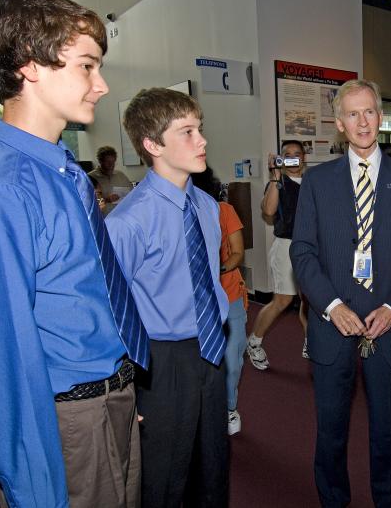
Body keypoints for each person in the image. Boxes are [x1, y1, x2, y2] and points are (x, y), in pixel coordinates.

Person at [0, 0, 148, 507]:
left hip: (110, 396)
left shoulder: (65, 174)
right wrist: (32, 483)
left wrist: (120, 391)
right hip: (67, 420)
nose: (100, 86)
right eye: (86, 66)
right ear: (31, 65)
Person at [291, 79, 391, 508]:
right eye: (353, 114)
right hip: (333, 324)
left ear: (380, 117)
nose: (362, 121)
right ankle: (333, 499)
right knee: (331, 429)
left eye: (369, 112)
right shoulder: (317, 181)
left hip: (387, 325)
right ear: (339, 124)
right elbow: (303, 251)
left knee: (388, 431)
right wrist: (331, 306)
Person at [106, 87, 229, 508]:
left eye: (200, 129)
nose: (202, 141)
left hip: (212, 350)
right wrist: (128, 389)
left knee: (211, 470)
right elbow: (109, 309)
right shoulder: (128, 221)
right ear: (153, 144)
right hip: (159, 360)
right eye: (187, 132)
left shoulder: (207, 206)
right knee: (163, 477)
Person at [192, 166, 247, 436]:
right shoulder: (179, 214)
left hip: (228, 294)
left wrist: (217, 271)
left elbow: (237, 253)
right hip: (193, 300)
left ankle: (229, 407)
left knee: (233, 357)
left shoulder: (223, 210)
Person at [246, 140, 309, 369]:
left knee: (310, 299)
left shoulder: (314, 181)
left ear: (304, 158)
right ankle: (254, 342)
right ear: (281, 159)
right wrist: (274, 176)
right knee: (282, 300)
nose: (292, 158)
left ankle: (310, 340)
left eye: (297, 154)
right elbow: (268, 211)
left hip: (311, 248)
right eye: (287, 155)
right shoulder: (279, 182)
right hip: (286, 246)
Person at [89, 145, 132, 213]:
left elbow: (131, 193)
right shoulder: (90, 178)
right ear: (100, 161)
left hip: (121, 216)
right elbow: (87, 204)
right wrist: (106, 200)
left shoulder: (121, 175)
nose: (111, 165)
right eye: (108, 162)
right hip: (103, 219)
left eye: (113, 162)